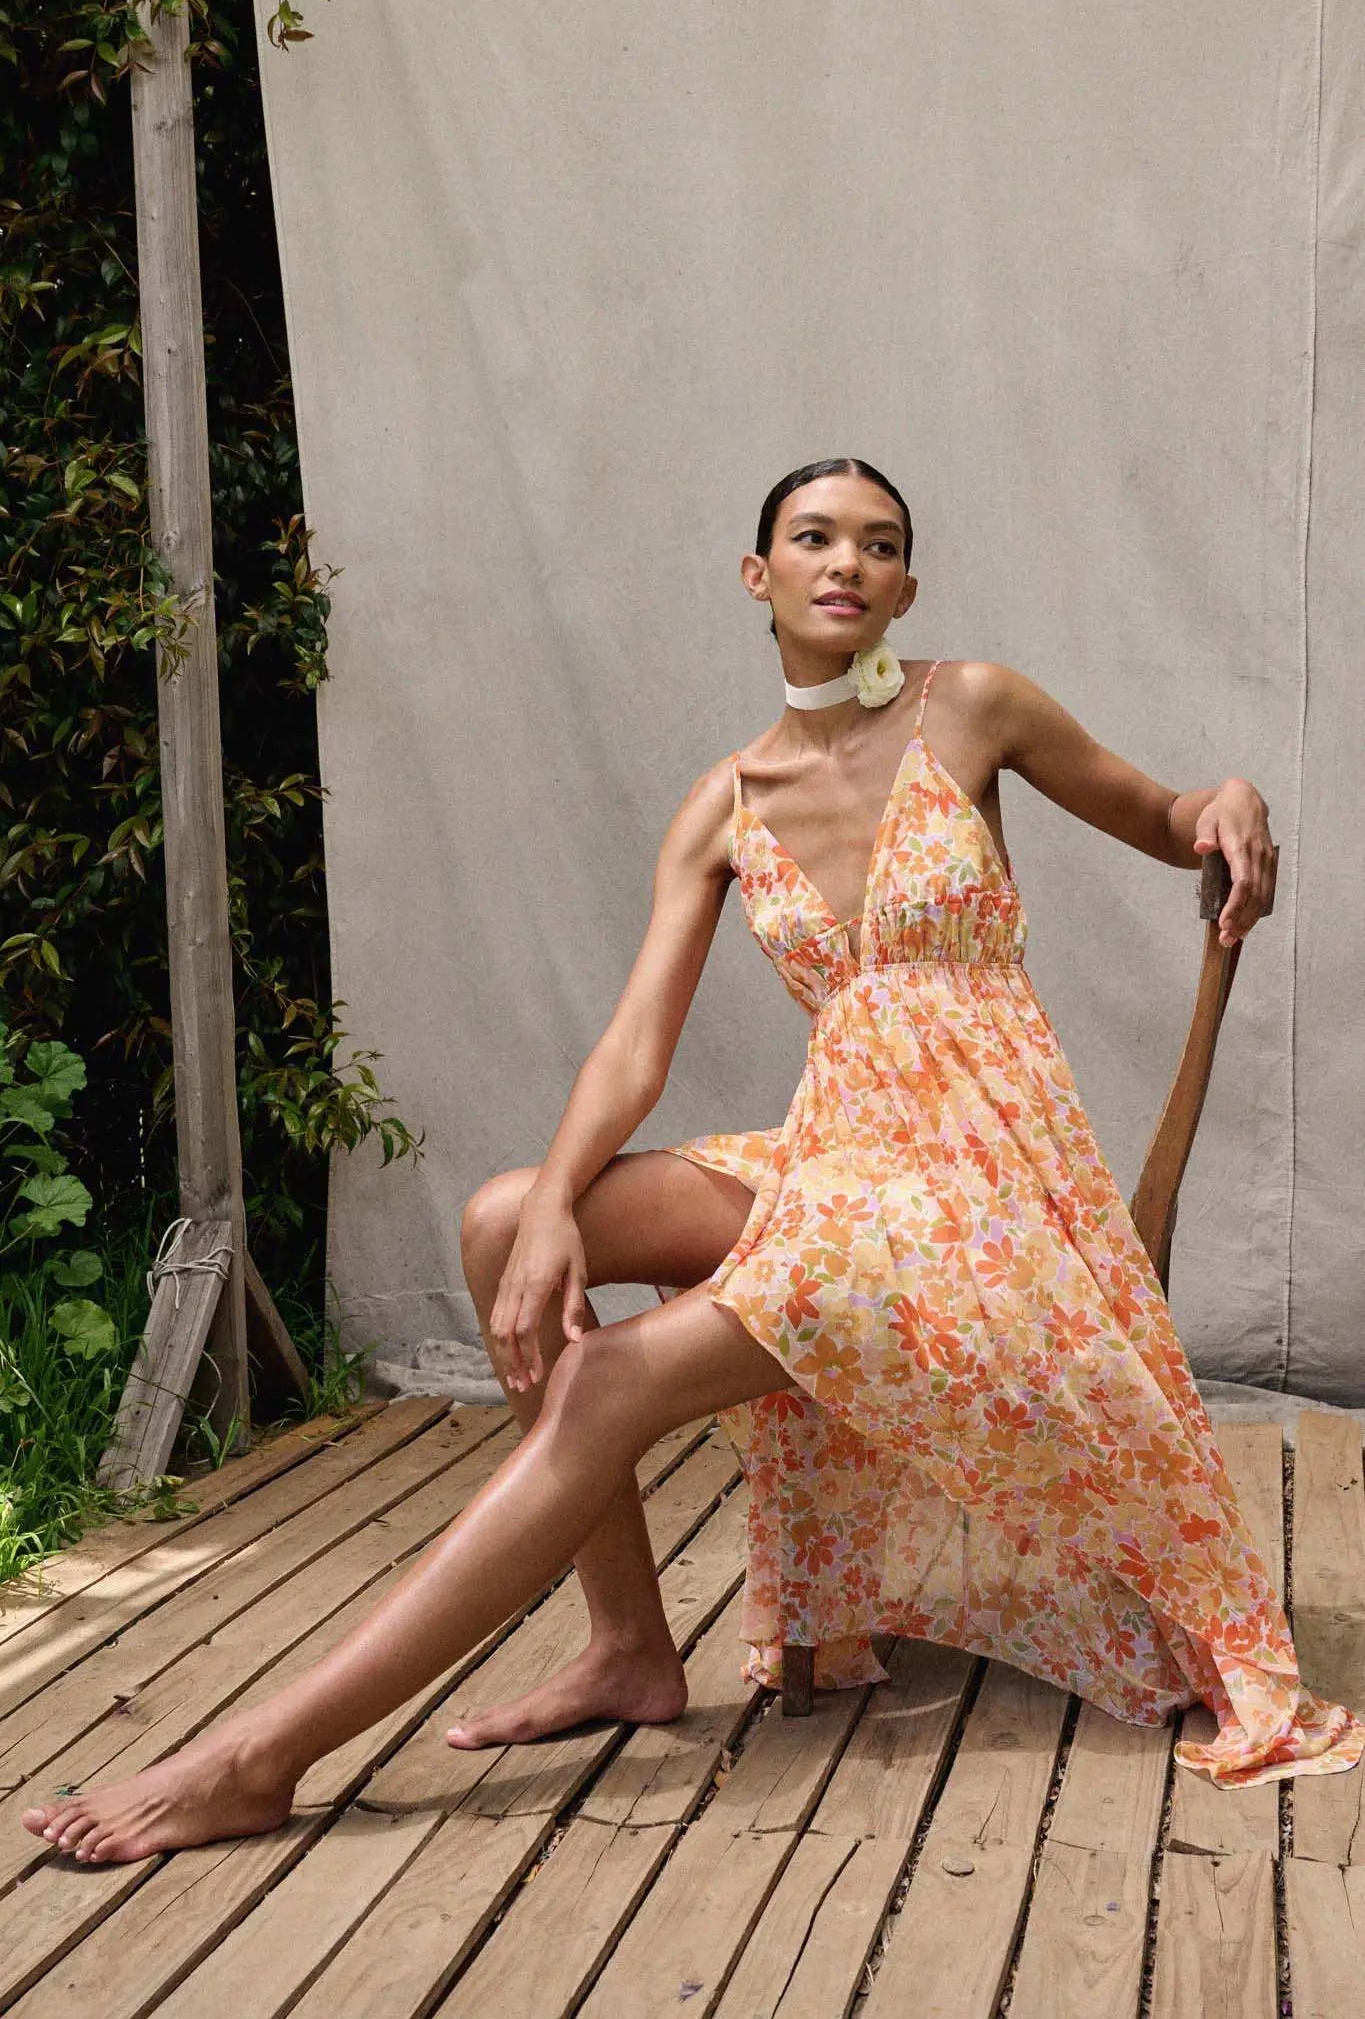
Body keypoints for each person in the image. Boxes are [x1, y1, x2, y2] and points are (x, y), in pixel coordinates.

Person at [22, 456, 1362, 1867]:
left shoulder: (970, 706)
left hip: (979, 1198)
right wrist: (555, 1205)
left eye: (879, 544)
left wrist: (1222, 797)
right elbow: (631, 1051)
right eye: (814, 537)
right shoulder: (724, 804)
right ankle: (627, 1648)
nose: (846, 562)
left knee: (604, 1375)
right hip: (843, 1159)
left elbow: (1163, 817)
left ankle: (259, 1756)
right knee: (502, 1221)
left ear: (905, 588)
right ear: (758, 576)